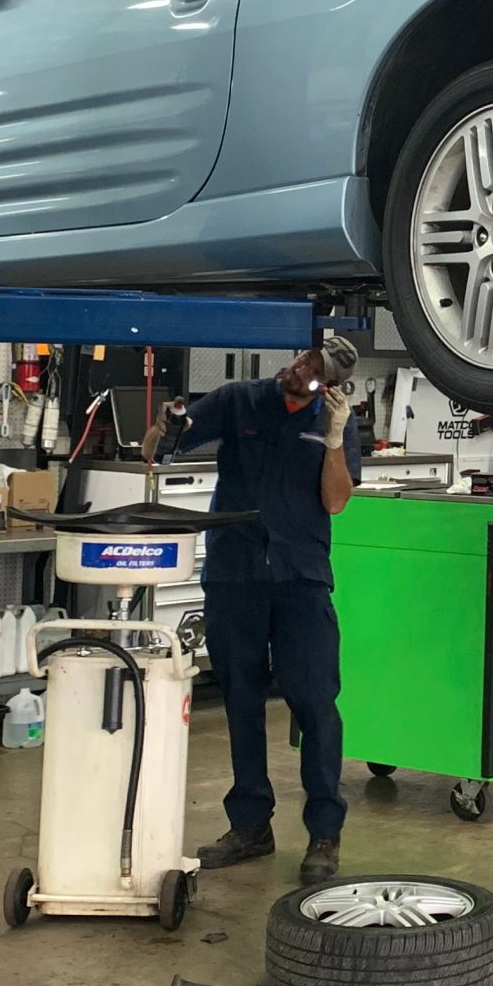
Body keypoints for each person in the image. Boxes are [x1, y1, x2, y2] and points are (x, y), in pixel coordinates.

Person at [150, 332, 362, 883]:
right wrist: (168, 422)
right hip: (235, 573)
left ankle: (324, 832)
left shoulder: (335, 422)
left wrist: (334, 442)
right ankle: (250, 826)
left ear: (330, 387)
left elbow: (336, 501)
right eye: (302, 357)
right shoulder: (239, 399)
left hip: (301, 579)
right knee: (241, 699)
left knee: (315, 702)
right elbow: (163, 447)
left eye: (315, 369)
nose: (300, 370)